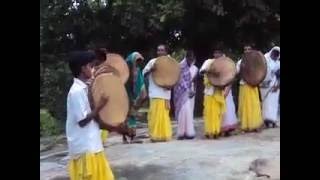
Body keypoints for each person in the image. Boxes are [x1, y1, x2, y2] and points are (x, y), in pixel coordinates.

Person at [66, 51, 115, 180]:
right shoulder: (76, 92)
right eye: (91, 66)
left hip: (92, 144)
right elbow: (82, 121)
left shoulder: (85, 88)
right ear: (83, 69)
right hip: (84, 147)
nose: (93, 69)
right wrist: (100, 105)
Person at [142, 44, 172, 142]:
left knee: (164, 116)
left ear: (166, 52)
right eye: (158, 50)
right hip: (155, 92)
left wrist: (170, 85)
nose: (160, 52)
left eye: (162, 50)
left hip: (166, 92)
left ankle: (164, 135)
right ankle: (155, 135)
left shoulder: (170, 62)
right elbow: (144, 73)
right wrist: (151, 69)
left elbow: (175, 76)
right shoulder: (152, 62)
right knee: (155, 115)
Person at [199, 46, 227, 139]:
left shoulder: (224, 64)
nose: (217, 54)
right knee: (209, 112)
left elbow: (228, 77)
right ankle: (209, 131)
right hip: (209, 91)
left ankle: (216, 131)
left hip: (218, 91)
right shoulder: (208, 62)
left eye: (219, 53)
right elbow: (201, 71)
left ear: (221, 54)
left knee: (218, 113)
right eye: (215, 53)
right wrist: (208, 70)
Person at [236, 50, 263, 132]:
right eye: (245, 50)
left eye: (248, 49)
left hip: (253, 85)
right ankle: (246, 125)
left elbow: (260, 71)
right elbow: (236, 72)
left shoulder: (256, 61)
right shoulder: (240, 62)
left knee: (254, 105)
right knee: (245, 105)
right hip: (244, 85)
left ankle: (255, 125)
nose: (247, 51)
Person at [173, 50, 197, 140]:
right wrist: (187, 90)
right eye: (190, 58)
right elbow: (180, 80)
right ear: (187, 58)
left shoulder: (191, 67)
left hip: (188, 91)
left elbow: (192, 80)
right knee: (182, 111)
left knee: (188, 111)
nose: (191, 60)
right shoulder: (181, 66)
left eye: (192, 58)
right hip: (180, 92)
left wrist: (192, 90)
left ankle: (189, 132)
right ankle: (181, 133)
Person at [125, 51, 148, 143]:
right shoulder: (126, 71)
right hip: (127, 95)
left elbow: (141, 84)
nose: (138, 62)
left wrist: (141, 95)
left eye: (139, 61)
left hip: (134, 96)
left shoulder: (138, 71)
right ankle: (127, 136)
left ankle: (132, 136)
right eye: (136, 60)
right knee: (127, 115)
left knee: (132, 114)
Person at [260, 46, 280, 128]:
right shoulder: (265, 60)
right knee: (265, 104)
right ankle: (265, 121)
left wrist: (277, 85)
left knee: (274, 104)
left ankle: (273, 120)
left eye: (277, 53)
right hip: (264, 85)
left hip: (274, 85)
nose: (275, 54)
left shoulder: (278, 63)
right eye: (274, 52)